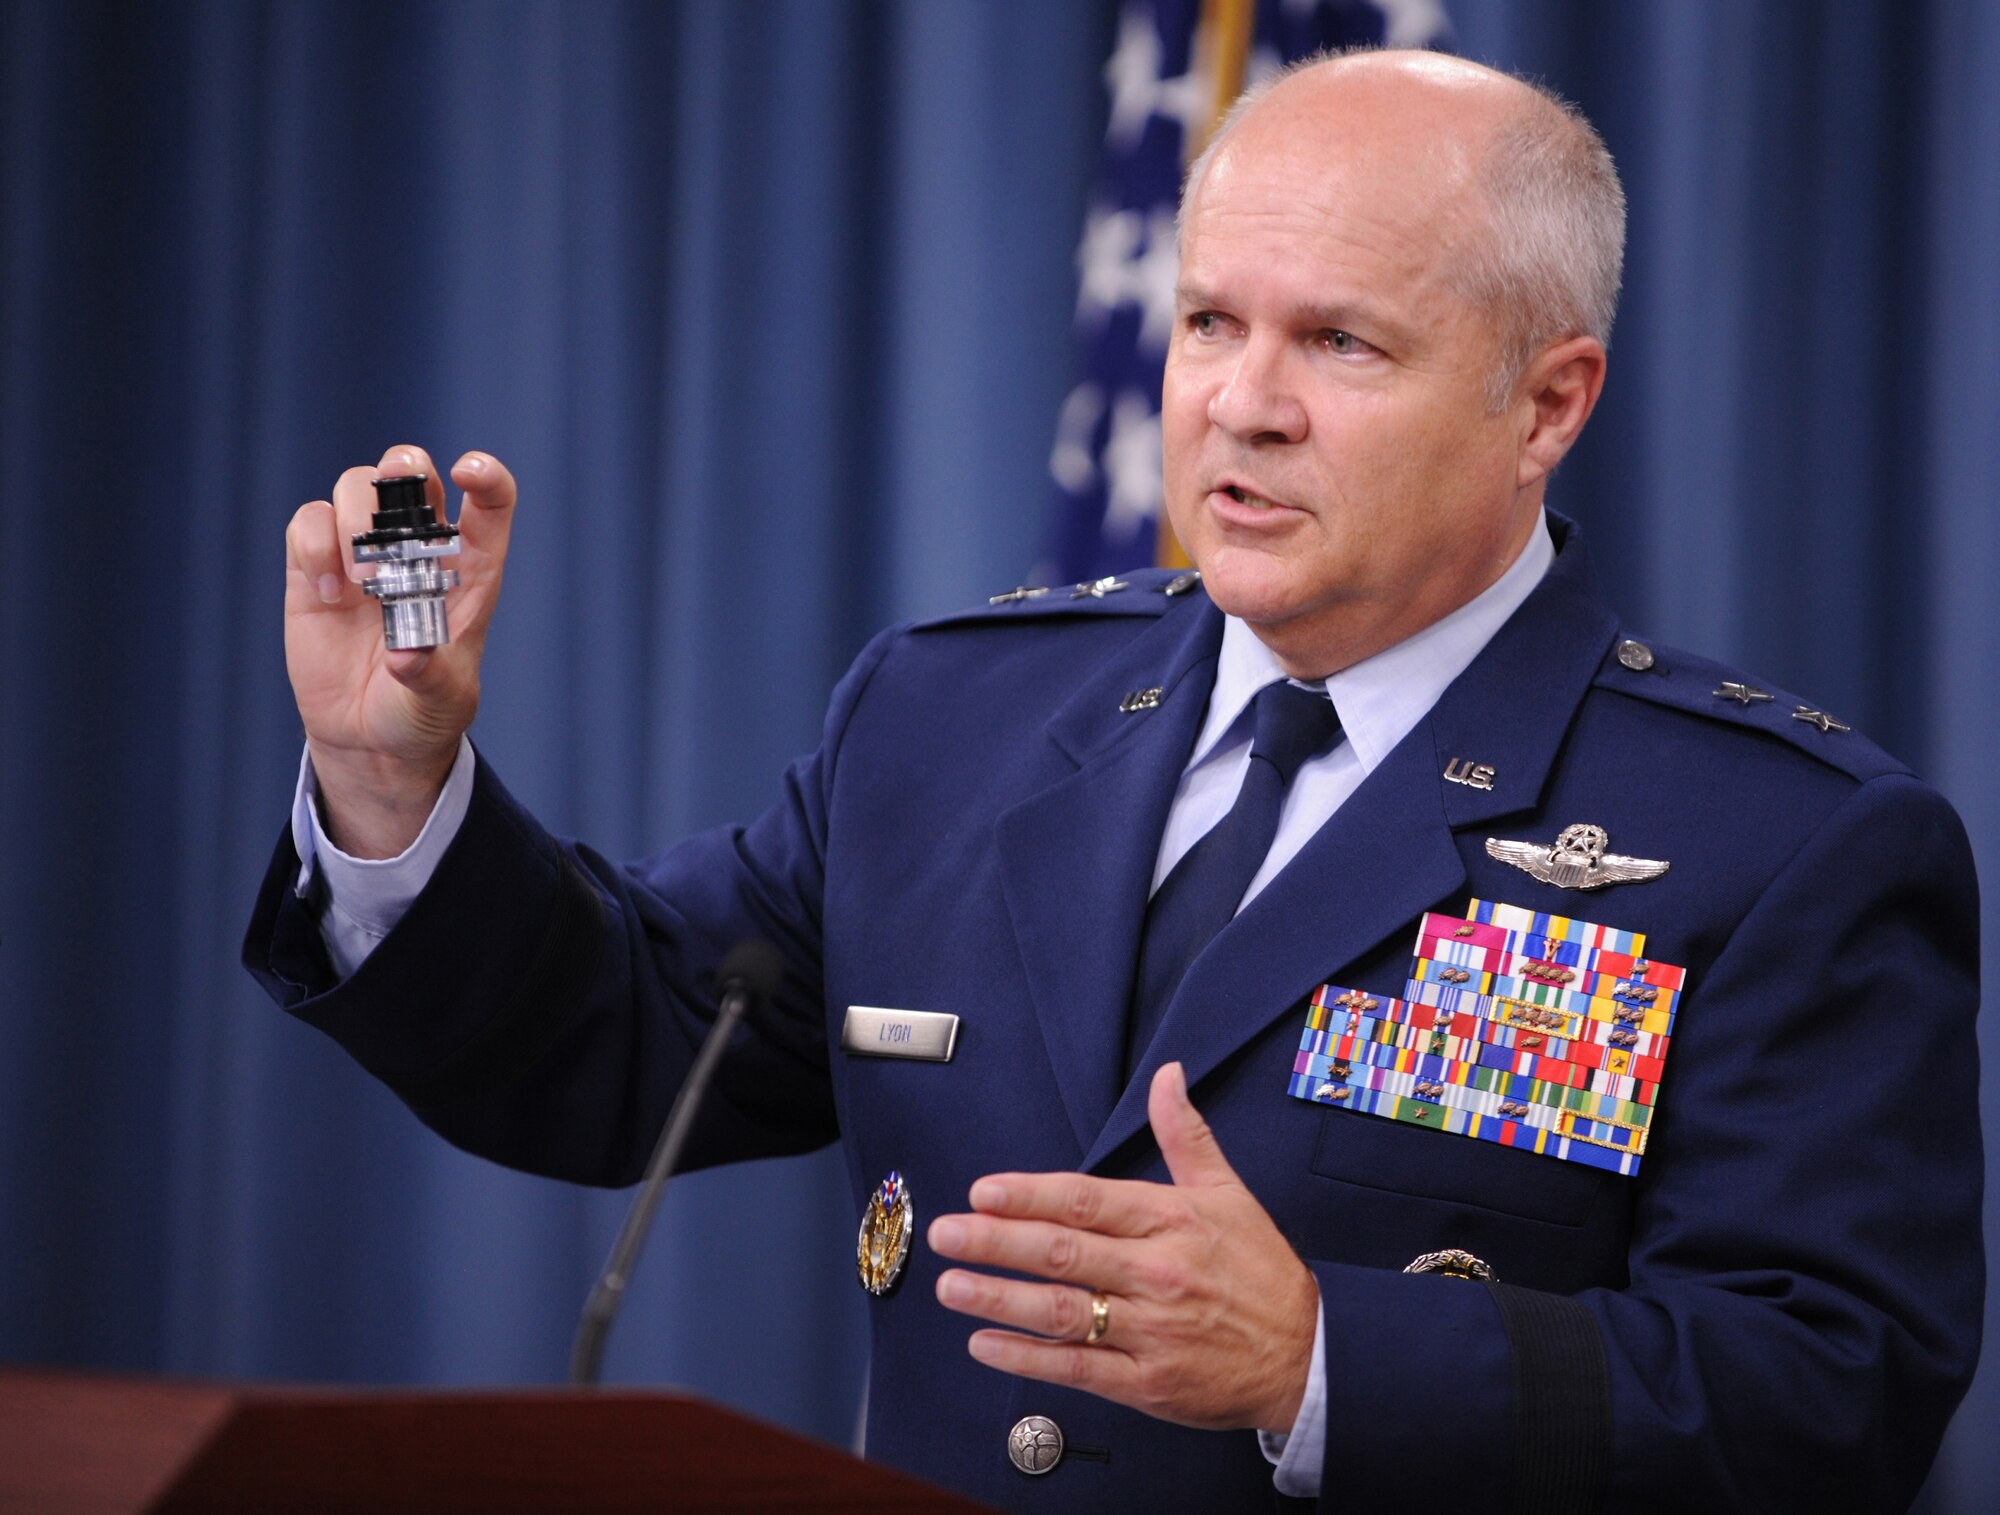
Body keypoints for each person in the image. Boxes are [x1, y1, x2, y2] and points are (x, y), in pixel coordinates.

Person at [245, 49, 1982, 1514]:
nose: (1241, 404)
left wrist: (1323, 1364)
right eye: (1211, 320)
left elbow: (1832, 1394)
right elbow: (621, 1043)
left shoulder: (1777, 842)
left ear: (1549, 405)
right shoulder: (951, 720)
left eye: (1343, 346)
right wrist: (391, 784)